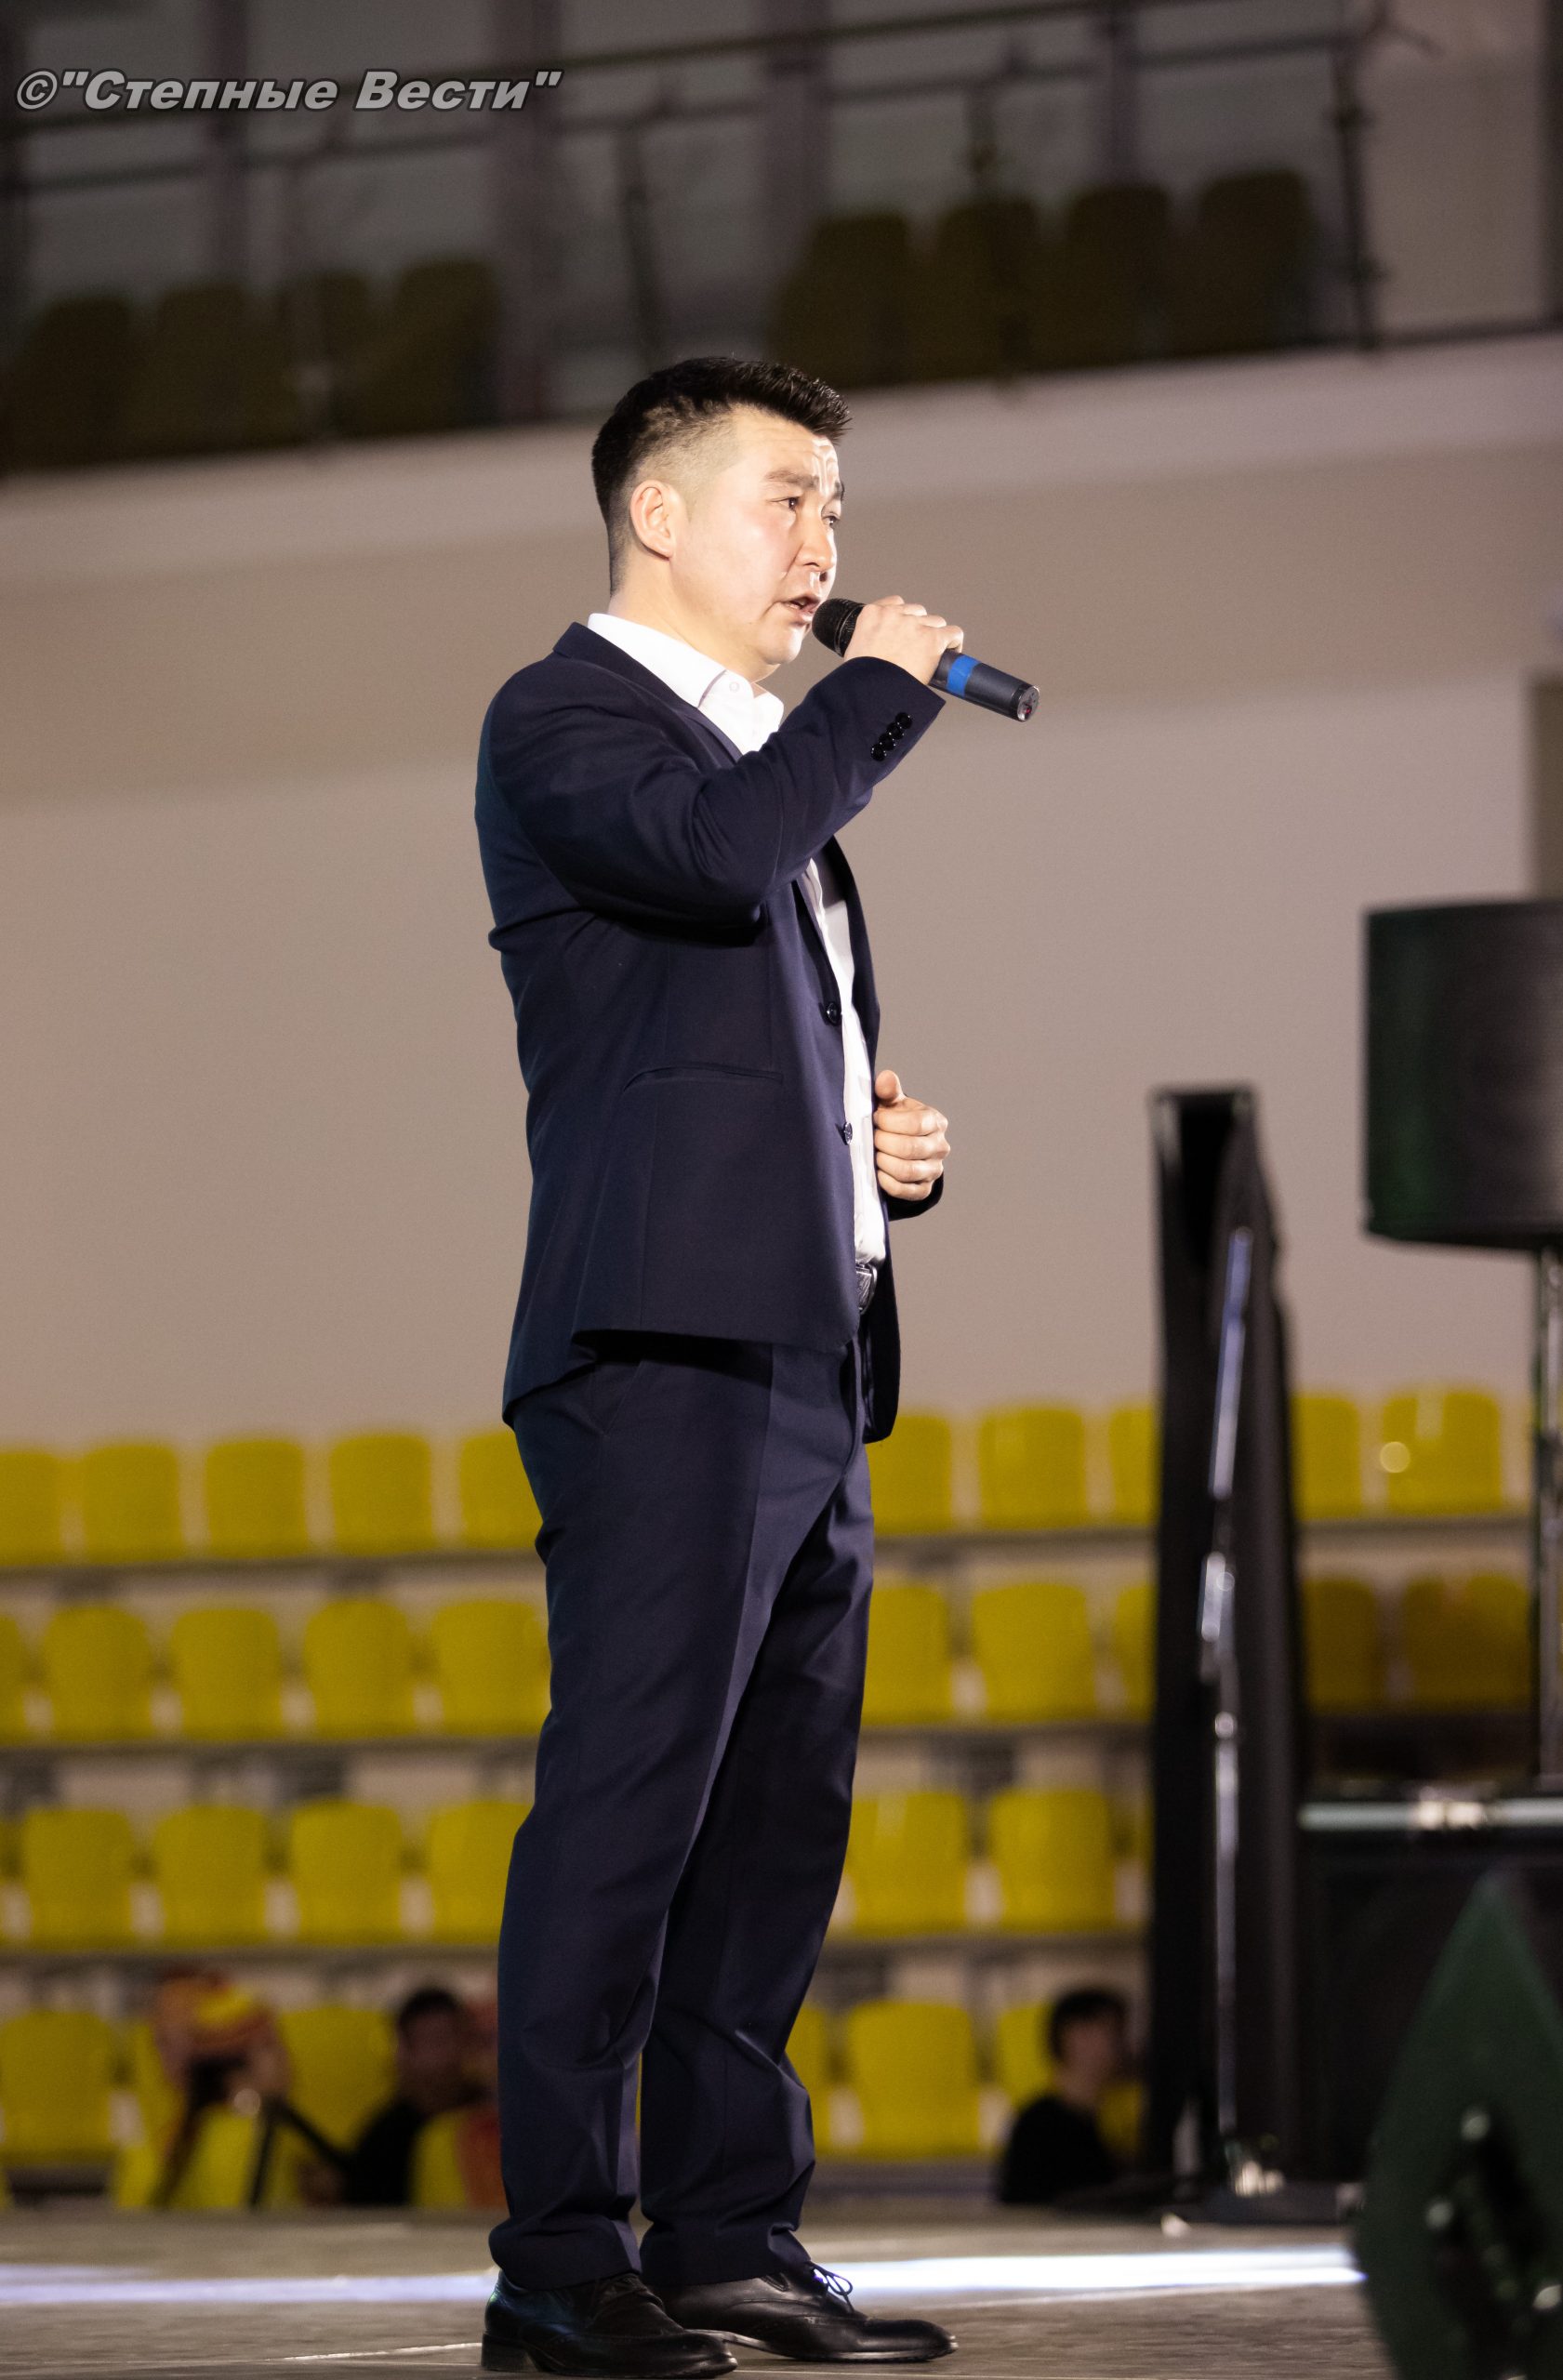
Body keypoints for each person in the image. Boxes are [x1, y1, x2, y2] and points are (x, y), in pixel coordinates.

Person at [473, 355, 960, 2375]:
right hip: (659, 1351)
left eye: (835, 504)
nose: (824, 543)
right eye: (787, 497)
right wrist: (879, 696)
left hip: (801, 1354)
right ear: (656, 513)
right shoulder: (567, 717)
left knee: (772, 1828)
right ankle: (559, 2261)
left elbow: (738, 1017)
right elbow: (701, 857)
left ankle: (729, 2231)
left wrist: (877, 1144)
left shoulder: (767, 764)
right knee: (629, 1810)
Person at [341, 1986, 483, 2208]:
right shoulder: (382, 2144)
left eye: (459, 2036)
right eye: (437, 2041)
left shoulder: (492, 2119)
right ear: (405, 2051)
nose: (452, 2051)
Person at [997, 1989, 1131, 2206]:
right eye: (1111, 2030)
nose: (1120, 2044)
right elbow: (1025, 2207)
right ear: (1075, 2037)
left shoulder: (1107, 2121)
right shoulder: (1038, 2126)